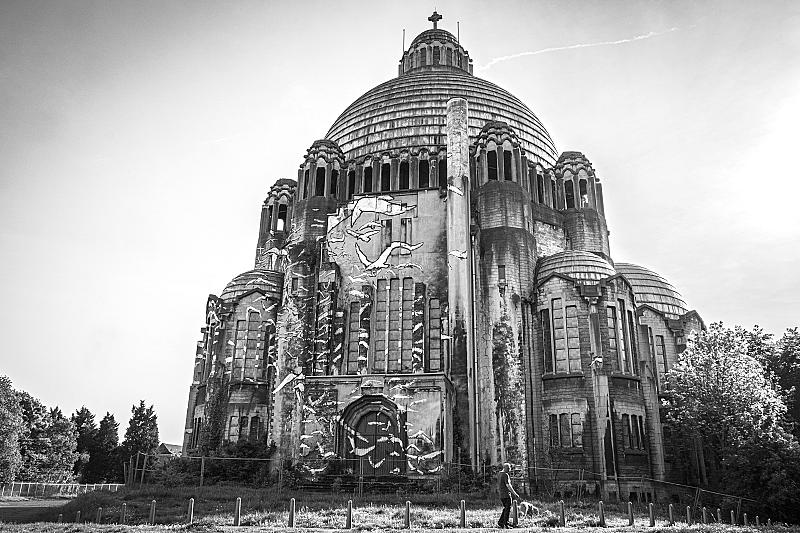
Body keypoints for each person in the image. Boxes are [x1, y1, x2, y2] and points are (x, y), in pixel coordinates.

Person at [497, 462, 520, 528]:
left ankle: (500, 522)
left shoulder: (499, 474)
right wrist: (515, 493)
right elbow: (508, 485)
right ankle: (506, 524)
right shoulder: (505, 475)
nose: (510, 469)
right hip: (506, 495)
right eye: (509, 468)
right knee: (508, 509)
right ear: (505, 468)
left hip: (501, 494)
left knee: (505, 508)